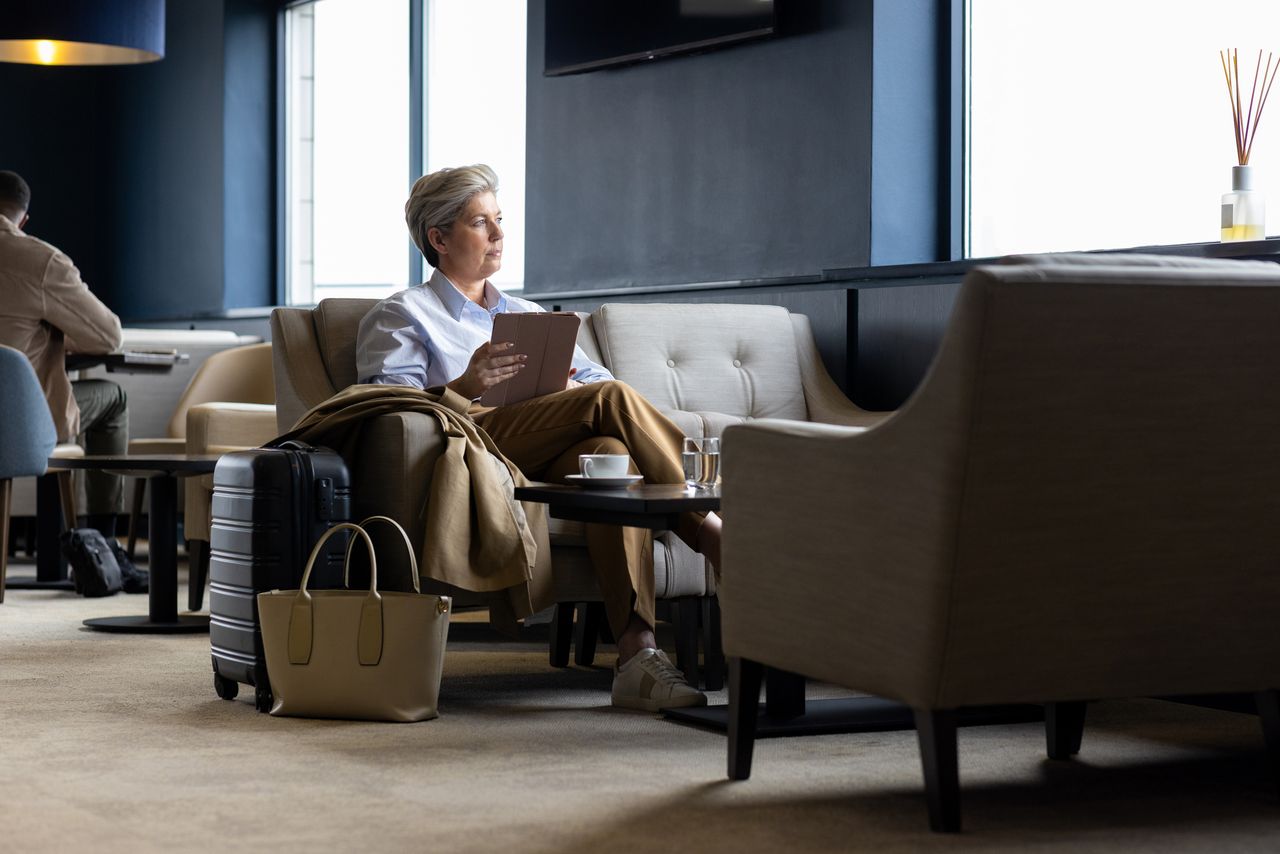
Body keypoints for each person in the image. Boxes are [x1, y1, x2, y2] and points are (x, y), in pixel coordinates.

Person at [357, 164, 723, 712]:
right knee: (612, 399)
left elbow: (595, 380)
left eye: (499, 220)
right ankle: (713, 531)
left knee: (612, 454)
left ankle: (637, 655)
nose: (500, 235)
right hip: (469, 441)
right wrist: (465, 384)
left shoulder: (526, 315)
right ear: (438, 238)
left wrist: (569, 385)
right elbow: (391, 412)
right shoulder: (403, 313)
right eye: (481, 223)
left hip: (543, 441)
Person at [0, 170, 128, 539]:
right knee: (113, 398)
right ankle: (104, 545)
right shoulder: (40, 261)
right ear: (23, 219)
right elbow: (108, 336)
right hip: (18, 424)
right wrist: (56, 333)